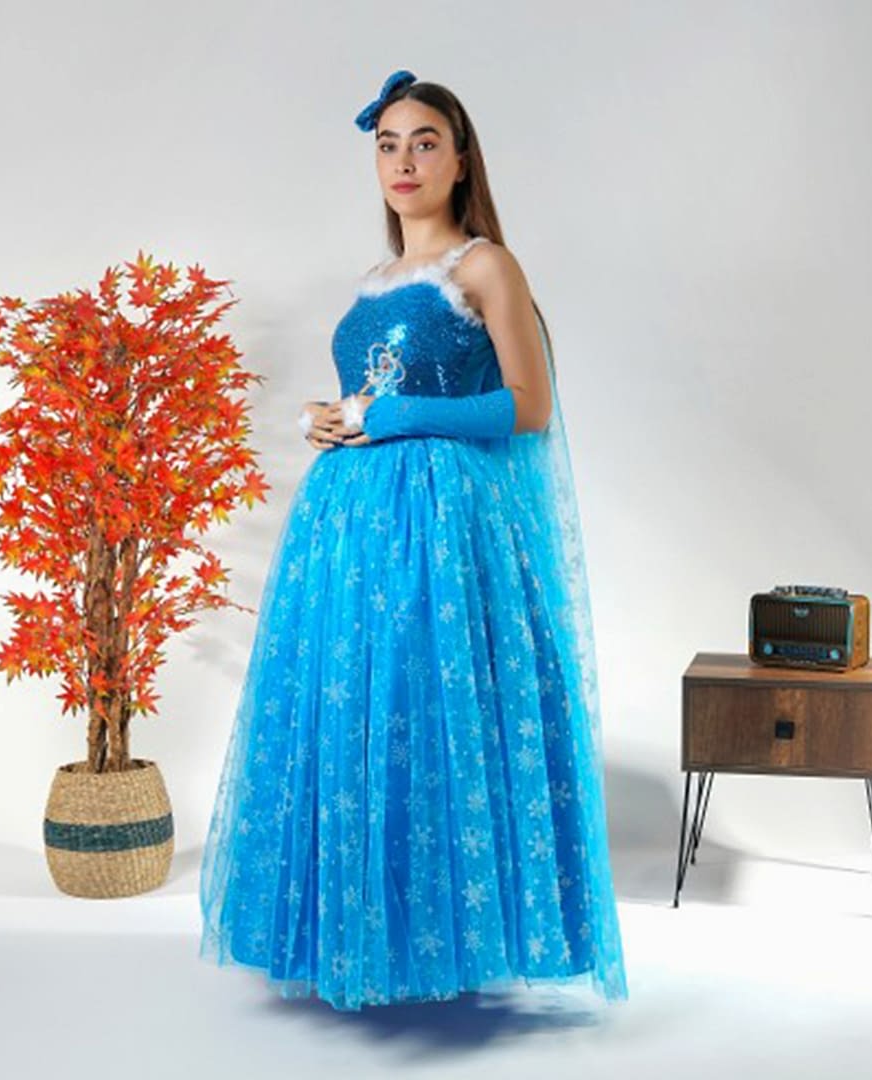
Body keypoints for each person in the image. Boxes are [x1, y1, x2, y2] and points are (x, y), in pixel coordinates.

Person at [199, 69, 628, 1012]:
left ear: (461, 159)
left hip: (443, 529)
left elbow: (527, 407)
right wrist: (327, 419)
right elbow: (370, 395)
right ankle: (368, 936)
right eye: (388, 144)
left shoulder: (484, 267)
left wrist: (393, 416)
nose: (403, 161)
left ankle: (443, 939)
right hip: (350, 530)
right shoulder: (374, 280)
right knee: (358, 707)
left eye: (424, 142)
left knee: (429, 707)